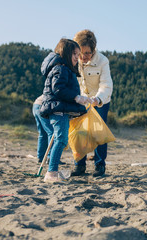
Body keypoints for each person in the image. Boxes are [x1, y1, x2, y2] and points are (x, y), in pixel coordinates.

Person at [39, 38, 93, 183]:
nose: (78, 57)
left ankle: (52, 171)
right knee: (61, 140)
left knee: (60, 139)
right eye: (75, 54)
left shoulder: (64, 68)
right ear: (66, 53)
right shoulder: (61, 68)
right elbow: (58, 89)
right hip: (58, 110)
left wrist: (80, 99)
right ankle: (51, 173)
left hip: (60, 109)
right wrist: (76, 97)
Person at [72, 29, 113, 177]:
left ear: (94, 49)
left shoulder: (103, 61)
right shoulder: (74, 60)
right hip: (80, 101)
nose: (84, 57)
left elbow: (107, 85)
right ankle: (79, 165)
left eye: (88, 53)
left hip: (100, 101)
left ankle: (100, 165)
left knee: (99, 132)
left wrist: (98, 99)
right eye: (80, 53)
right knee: (79, 132)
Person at [32, 95, 53, 163]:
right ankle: (50, 157)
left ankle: (41, 157)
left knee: (43, 133)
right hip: (42, 106)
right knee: (51, 132)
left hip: (36, 105)